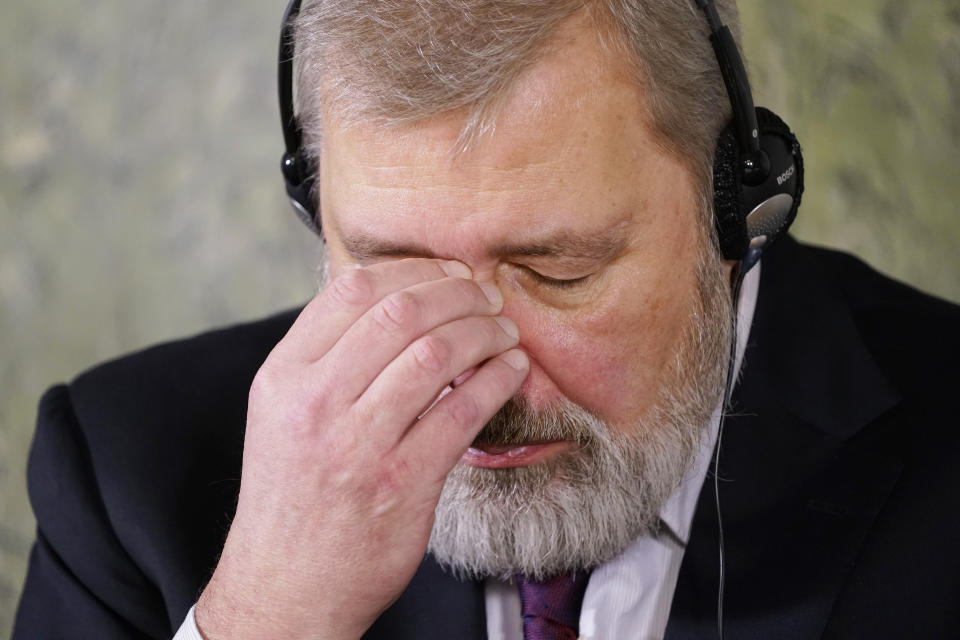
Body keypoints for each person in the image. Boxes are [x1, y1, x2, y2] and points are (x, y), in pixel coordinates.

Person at [12, 0, 960, 638]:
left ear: (739, 204)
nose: (475, 378)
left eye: (557, 270)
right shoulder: (121, 475)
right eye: (399, 271)